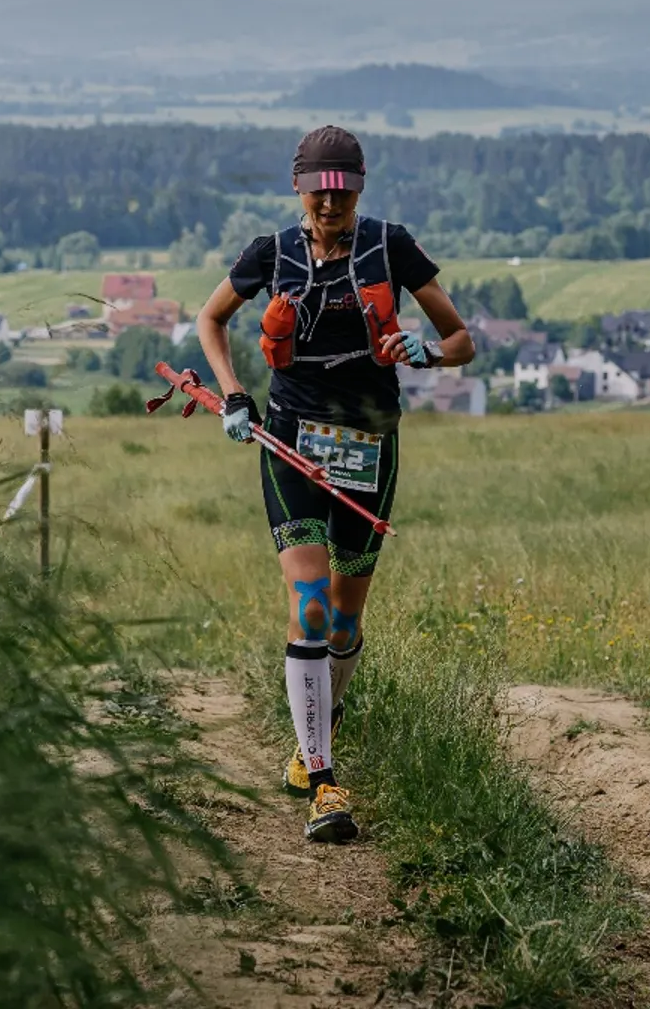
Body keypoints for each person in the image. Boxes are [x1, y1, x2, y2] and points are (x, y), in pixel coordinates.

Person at [195, 125, 473, 843]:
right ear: (299, 188)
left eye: (343, 191)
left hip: (370, 448)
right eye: (320, 191)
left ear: (359, 189)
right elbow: (211, 318)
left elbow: (461, 340)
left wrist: (428, 353)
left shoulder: (392, 247)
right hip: (289, 442)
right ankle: (322, 779)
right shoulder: (272, 254)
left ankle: (316, 723)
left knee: (346, 620)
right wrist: (232, 395)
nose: (331, 203)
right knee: (311, 604)